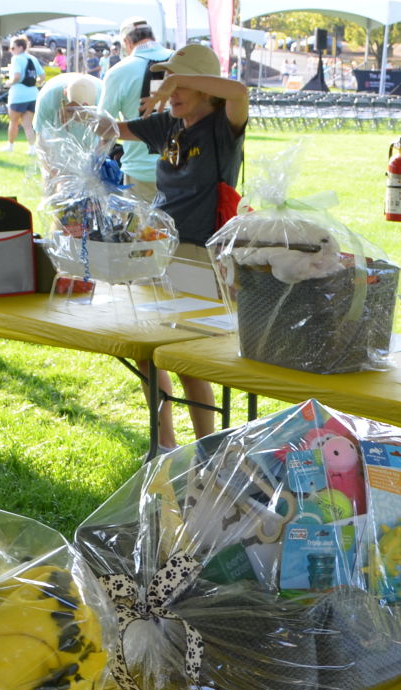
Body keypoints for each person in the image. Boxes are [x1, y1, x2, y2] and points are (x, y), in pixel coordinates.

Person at [117, 43, 245, 446]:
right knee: (147, 350)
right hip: (158, 251)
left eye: (180, 84)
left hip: (200, 255)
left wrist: (177, 78)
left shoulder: (223, 127)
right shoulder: (168, 125)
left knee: (188, 360)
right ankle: (165, 444)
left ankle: (209, 447)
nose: (170, 91)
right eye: (167, 81)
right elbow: (112, 131)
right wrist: (80, 117)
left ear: (205, 91)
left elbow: (239, 92)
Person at [100, 18, 170, 201]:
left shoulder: (118, 72)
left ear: (127, 42)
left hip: (139, 171)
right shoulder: (181, 61)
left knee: (141, 229)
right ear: (152, 36)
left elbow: (102, 128)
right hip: (183, 168)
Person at [4, 35, 43, 150]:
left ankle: (10, 146)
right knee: (27, 123)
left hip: (18, 95)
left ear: (20, 47)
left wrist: (10, 83)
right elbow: (42, 76)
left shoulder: (16, 59)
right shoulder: (33, 59)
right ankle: (31, 147)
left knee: (13, 122)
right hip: (33, 94)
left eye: (13, 48)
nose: (11, 50)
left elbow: (17, 75)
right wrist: (33, 83)